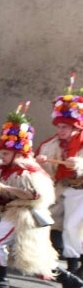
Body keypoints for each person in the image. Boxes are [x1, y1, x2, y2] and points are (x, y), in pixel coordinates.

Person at [0, 104, 83, 288]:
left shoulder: (28, 171)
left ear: (18, 153)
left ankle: (0, 277)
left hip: (24, 215)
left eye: (6, 153)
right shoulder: (4, 167)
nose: (1, 156)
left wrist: (5, 189)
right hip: (15, 213)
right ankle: (69, 279)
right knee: (32, 254)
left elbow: (34, 195)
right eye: (1, 152)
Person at [35, 82, 83, 276]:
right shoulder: (52, 144)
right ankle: (66, 264)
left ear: (75, 126)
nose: (61, 130)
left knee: (73, 226)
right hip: (63, 189)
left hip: (81, 191)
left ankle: (74, 265)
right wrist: (42, 161)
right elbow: (46, 169)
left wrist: (79, 164)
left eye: (65, 127)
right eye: (59, 126)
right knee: (52, 221)